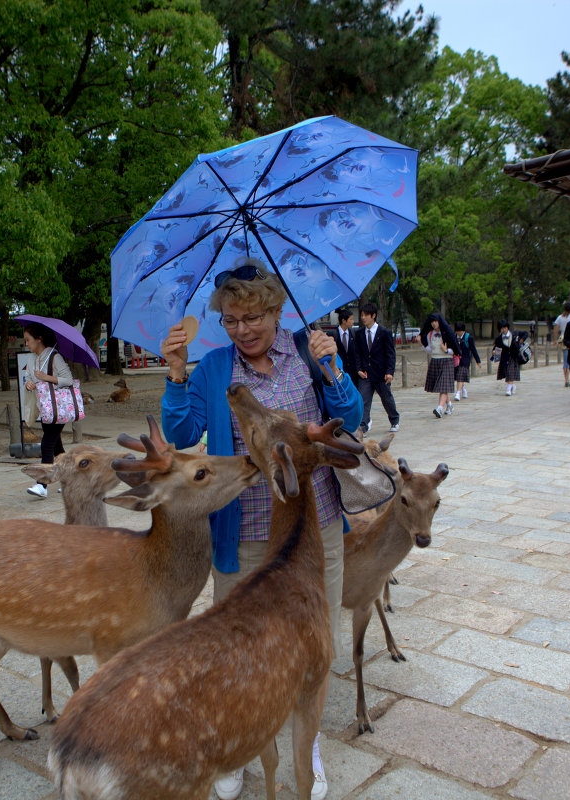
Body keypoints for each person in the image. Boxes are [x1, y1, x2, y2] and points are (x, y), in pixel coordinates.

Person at [159, 259, 361, 800]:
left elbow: (352, 419)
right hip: (243, 535)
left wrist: (334, 371)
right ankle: (239, 747)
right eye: (230, 319)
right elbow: (182, 430)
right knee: (241, 650)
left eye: (252, 316)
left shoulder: (306, 352)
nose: (242, 329)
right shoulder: (215, 368)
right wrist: (178, 373)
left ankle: (306, 744)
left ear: (277, 311)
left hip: (314, 535)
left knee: (312, 651)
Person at [22, 323, 74, 499]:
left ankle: (42, 484)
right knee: (57, 446)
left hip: (58, 408)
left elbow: (68, 379)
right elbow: (30, 380)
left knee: (47, 443)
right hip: (44, 407)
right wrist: (29, 384)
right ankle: (70, 480)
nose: (26, 344)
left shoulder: (54, 357)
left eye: (28, 340)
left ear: (39, 339)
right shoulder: (32, 359)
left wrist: (46, 378)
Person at [354, 302, 400, 434]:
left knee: (386, 398)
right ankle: (363, 425)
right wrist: (359, 369)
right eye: (361, 315)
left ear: (373, 315)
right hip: (366, 374)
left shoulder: (384, 333)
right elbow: (357, 353)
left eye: (366, 315)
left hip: (381, 373)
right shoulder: (359, 334)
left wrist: (389, 372)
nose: (363, 318)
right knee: (363, 400)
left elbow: (390, 354)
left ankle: (394, 420)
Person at [420, 313, 459, 418]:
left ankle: (439, 408)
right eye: (432, 322)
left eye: (435, 321)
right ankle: (449, 405)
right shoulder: (430, 334)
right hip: (435, 361)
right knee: (442, 386)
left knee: (443, 385)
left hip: (447, 361)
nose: (434, 324)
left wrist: (447, 350)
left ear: (440, 321)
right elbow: (430, 350)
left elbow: (455, 349)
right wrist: (422, 345)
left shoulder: (447, 333)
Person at [330, 309, 359, 386]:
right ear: (344, 320)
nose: (353, 321)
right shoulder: (333, 334)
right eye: (351, 319)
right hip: (340, 372)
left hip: (354, 373)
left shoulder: (354, 333)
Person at [453, 321, 481, 401]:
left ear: (463, 330)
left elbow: (473, 350)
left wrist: (478, 361)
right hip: (456, 360)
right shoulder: (454, 337)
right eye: (457, 330)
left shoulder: (468, 338)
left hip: (465, 360)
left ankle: (458, 393)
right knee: (458, 377)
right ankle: (463, 390)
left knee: (460, 376)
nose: (458, 332)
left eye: (460, 331)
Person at [493, 320, 522, 396]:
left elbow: (525, 333)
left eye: (505, 328)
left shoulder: (514, 334)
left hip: (513, 356)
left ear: (507, 328)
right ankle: (512, 385)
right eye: (502, 328)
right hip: (504, 357)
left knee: (510, 371)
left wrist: (521, 340)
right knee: (506, 373)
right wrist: (494, 351)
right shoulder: (498, 338)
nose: (503, 330)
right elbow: (496, 347)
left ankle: (508, 389)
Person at [553, 301, 570, 387]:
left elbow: (555, 330)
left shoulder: (560, 317)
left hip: (563, 338)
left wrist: (555, 340)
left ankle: (566, 380)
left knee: (566, 361)